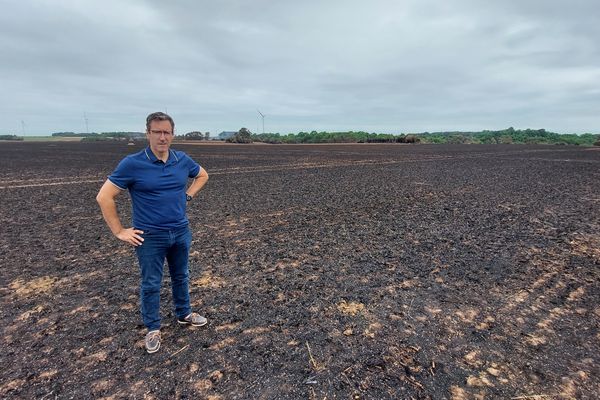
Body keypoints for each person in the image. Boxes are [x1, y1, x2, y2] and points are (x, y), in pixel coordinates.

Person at [96, 112, 209, 353]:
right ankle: (153, 328)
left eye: (166, 132)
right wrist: (119, 231)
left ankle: (184, 313)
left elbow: (202, 175)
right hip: (150, 237)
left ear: (173, 134)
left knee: (182, 276)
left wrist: (187, 195)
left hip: (180, 231)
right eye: (157, 132)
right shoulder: (133, 163)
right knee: (151, 283)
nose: (162, 137)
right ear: (148, 133)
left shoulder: (182, 159)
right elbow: (104, 196)